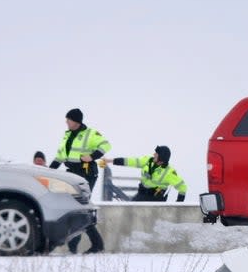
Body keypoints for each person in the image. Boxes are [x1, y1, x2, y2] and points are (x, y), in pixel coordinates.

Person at [51, 108, 111, 254]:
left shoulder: (90, 134)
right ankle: (76, 246)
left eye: (68, 119)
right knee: (73, 209)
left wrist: (92, 157)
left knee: (79, 209)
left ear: (76, 121)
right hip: (71, 174)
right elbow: (60, 156)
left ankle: (94, 245)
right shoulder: (68, 135)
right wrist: (49, 171)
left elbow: (106, 146)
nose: (66, 122)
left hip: (86, 173)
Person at [109, 145, 188, 202]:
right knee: (129, 210)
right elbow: (131, 161)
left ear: (161, 157)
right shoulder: (148, 161)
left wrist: (178, 204)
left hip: (156, 201)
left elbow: (183, 187)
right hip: (141, 195)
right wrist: (112, 161)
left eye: (156, 154)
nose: (154, 154)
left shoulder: (169, 172)